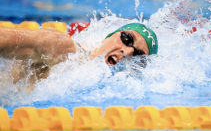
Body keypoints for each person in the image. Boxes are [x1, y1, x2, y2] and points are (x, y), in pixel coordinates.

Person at [0, 22, 158, 84]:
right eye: (127, 39)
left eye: (138, 55)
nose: (128, 51)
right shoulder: (63, 49)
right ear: (110, 35)